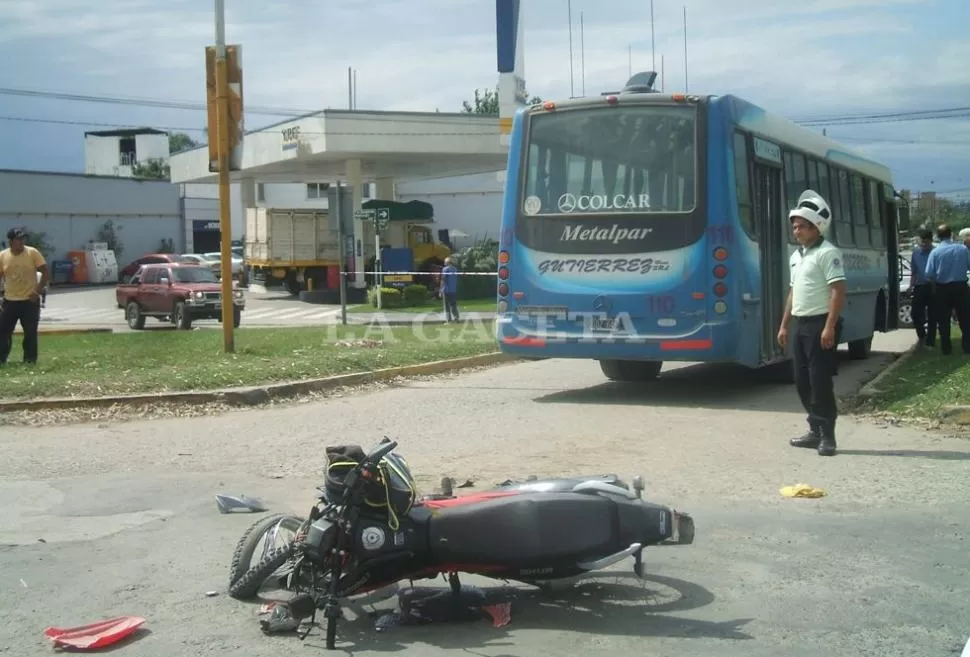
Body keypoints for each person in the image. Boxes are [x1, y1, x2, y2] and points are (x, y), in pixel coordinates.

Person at [777, 190, 846, 457]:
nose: (796, 231)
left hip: (820, 324)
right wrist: (784, 325)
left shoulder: (828, 253)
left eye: (801, 226)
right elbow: (793, 292)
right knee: (802, 381)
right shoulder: (797, 256)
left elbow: (838, 291)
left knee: (820, 381)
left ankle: (828, 436)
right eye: (794, 226)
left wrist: (829, 326)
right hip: (800, 326)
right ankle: (814, 430)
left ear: (816, 227)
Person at [0, 227, 49, 365]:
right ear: (10, 241)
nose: (22, 241)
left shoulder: (32, 253)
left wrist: (37, 291)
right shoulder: (3, 255)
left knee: (30, 332)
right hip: (10, 301)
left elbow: (45, 273)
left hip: (29, 301)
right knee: (3, 331)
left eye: (23, 239)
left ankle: (29, 360)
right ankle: (1, 358)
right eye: (18, 239)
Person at [923, 224, 970, 355]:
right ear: (951, 235)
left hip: (942, 288)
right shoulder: (962, 249)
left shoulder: (935, 252)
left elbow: (928, 274)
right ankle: (967, 347)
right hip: (961, 287)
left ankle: (946, 348)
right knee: (965, 318)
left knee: (943, 320)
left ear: (937, 236)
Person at [908, 229, 936, 348]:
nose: (924, 244)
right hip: (919, 286)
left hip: (933, 286)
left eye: (926, 242)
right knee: (915, 313)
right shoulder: (916, 253)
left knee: (933, 315)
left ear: (931, 241)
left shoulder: (936, 252)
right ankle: (922, 336)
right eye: (922, 242)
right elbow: (914, 272)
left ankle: (930, 341)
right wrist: (911, 285)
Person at [439, 256, 459, 322]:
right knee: (453, 305)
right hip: (453, 290)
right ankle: (456, 317)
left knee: (447, 306)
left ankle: (448, 319)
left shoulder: (445, 269)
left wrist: (440, 290)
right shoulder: (455, 269)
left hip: (446, 290)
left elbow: (443, 280)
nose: (444, 263)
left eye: (445, 262)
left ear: (447, 262)